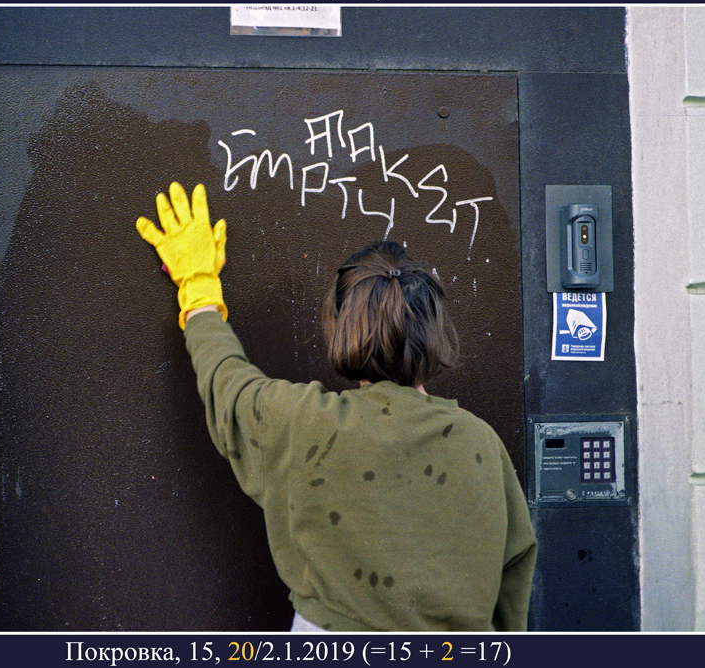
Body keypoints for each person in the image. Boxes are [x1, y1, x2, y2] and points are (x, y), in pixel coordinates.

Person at [136, 181, 537, 632]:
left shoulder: (300, 422)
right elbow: (514, 574)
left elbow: (225, 381)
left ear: (342, 328)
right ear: (435, 331)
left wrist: (199, 290)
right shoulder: (482, 444)